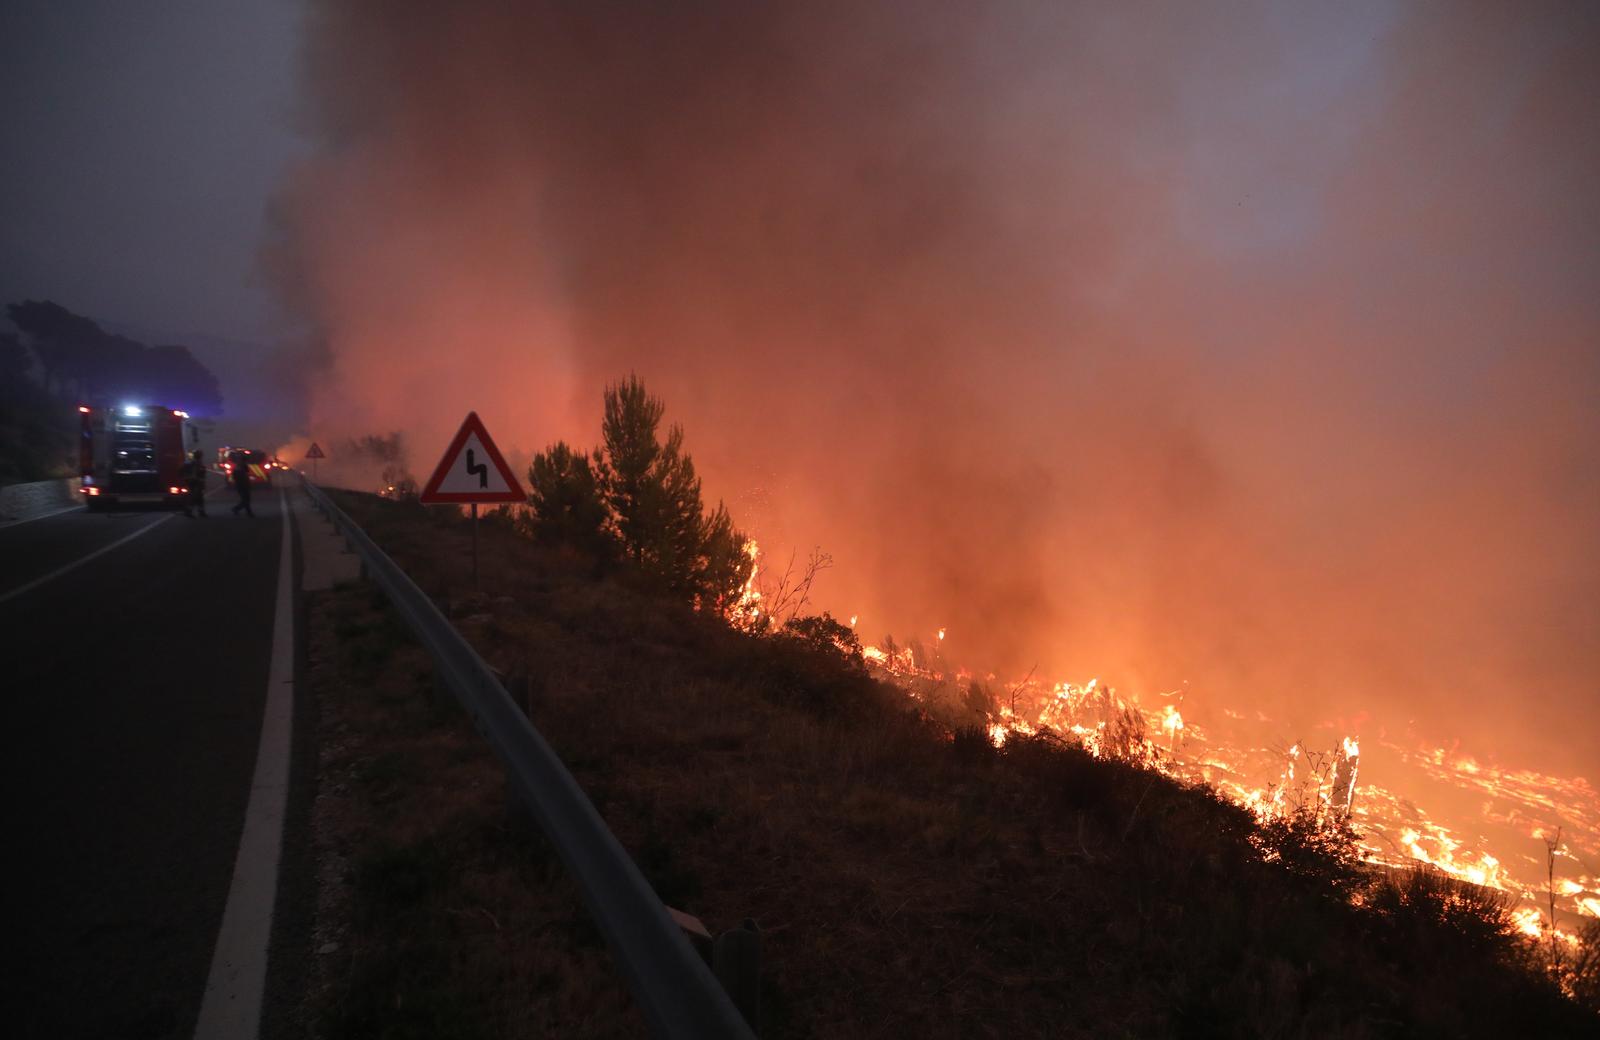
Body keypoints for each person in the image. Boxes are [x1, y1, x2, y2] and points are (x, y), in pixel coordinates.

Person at [183, 450, 208, 517]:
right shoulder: (196, 463)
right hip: (195, 482)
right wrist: (199, 480)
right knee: (194, 497)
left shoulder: (194, 462)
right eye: (201, 455)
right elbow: (196, 474)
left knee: (199, 497)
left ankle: (200, 511)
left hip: (195, 482)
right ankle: (189, 511)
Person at [230, 450, 254, 517]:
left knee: (246, 499)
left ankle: (243, 510)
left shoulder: (238, 468)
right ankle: (241, 510)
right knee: (246, 499)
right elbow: (242, 476)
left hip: (242, 485)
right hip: (242, 486)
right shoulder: (240, 468)